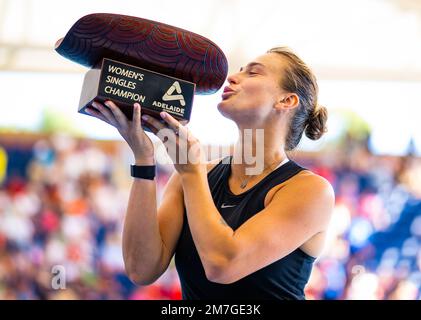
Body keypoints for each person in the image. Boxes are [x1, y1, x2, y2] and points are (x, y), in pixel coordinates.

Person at [85, 46, 335, 300]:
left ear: (286, 100)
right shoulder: (192, 173)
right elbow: (141, 269)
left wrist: (192, 173)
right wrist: (143, 159)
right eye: (239, 71)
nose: (233, 78)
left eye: (253, 73)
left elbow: (223, 264)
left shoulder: (310, 190)